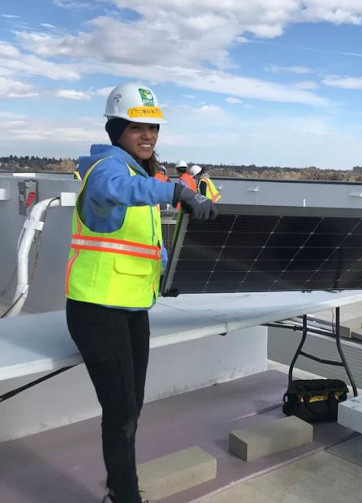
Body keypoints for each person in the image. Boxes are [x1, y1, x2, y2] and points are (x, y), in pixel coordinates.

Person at [65, 82, 216, 503]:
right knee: (121, 411)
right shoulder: (106, 169)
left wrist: (173, 268)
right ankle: (124, 497)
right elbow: (116, 192)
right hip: (96, 309)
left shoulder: (142, 174)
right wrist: (175, 190)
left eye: (153, 129)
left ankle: (120, 487)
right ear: (117, 130)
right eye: (137, 128)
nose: (148, 136)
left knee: (132, 407)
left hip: (132, 307)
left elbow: (144, 243)